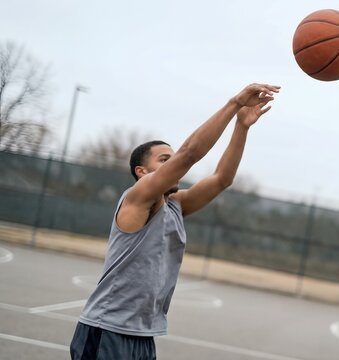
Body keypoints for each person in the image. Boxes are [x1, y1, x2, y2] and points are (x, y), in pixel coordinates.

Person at [69, 83, 280, 359]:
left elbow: (222, 179)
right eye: (164, 160)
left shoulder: (175, 206)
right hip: (107, 330)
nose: (173, 165)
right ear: (142, 172)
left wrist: (242, 126)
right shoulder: (138, 198)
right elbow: (189, 154)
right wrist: (234, 104)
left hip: (143, 335)